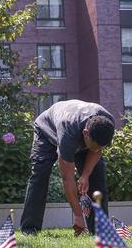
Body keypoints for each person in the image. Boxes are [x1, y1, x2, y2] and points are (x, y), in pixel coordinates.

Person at [20, 100, 116, 235]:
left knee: (97, 177)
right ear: (85, 133)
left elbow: (97, 150)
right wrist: (77, 215)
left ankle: (99, 230)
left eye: (100, 147)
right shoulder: (68, 132)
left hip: (80, 137)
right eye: (94, 146)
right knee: (40, 176)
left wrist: (85, 176)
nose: (96, 150)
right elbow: (67, 178)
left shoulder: (106, 123)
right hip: (47, 131)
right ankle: (29, 229)